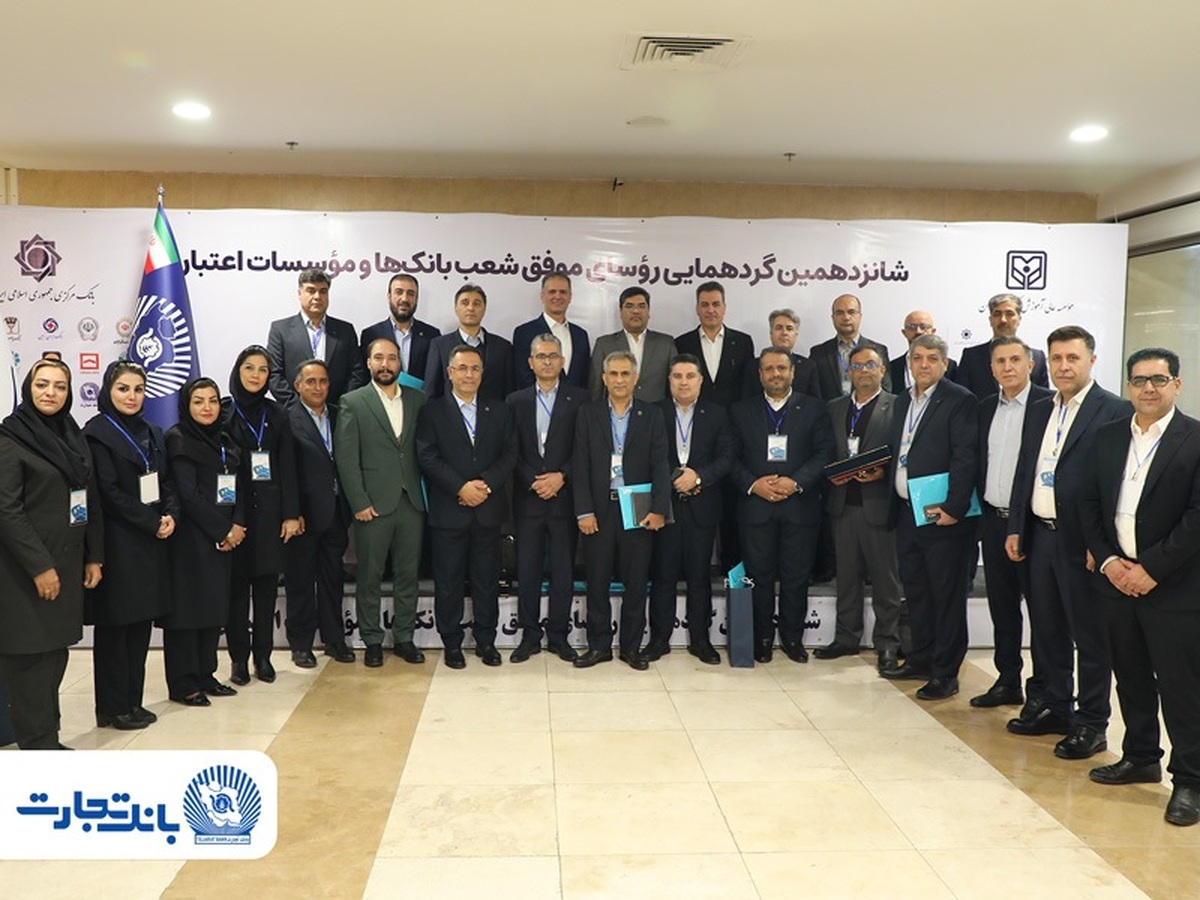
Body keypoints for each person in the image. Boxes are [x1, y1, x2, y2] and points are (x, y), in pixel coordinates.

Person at [1080, 348, 1200, 826]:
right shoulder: (1108, 437)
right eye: (1139, 380)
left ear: (1177, 385)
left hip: (1173, 586)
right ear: (1128, 386)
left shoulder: (1195, 439)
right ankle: (1141, 757)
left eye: (1158, 379)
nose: (1148, 388)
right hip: (1117, 582)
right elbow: (1089, 502)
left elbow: (1197, 517)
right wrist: (1111, 562)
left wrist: (1151, 568)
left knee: (1180, 686)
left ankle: (1190, 779)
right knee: (1129, 676)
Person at [1005, 326, 1130, 758]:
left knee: (1090, 636)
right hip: (1040, 535)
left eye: (1072, 358)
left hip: (1084, 544)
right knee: (1047, 629)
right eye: (1056, 358)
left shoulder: (1113, 409)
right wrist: (1016, 525)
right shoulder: (1041, 406)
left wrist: (1103, 544)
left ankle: (1092, 723)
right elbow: (1026, 468)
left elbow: (1115, 483)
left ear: (1091, 361)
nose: (1063, 366)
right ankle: (1055, 706)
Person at [0, 359, 103, 749]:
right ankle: (37, 745)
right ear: (28, 388)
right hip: (24, 574)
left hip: (67, 564)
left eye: (60, 386)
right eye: (42, 384)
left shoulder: (70, 436)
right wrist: (39, 566)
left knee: (55, 656)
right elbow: (7, 511)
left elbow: (88, 500)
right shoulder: (10, 439)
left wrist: (94, 555)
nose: (51, 393)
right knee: (31, 661)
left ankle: (49, 738)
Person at [880, 333, 979, 700]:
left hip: (943, 517)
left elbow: (966, 456)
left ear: (944, 363)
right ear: (908, 362)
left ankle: (946, 672)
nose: (923, 364)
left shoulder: (960, 399)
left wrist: (953, 507)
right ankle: (920, 658)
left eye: (932, 358)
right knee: (917, 591)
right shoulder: (904, 399)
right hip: (908, 513)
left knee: (946, 597)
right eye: (917, 357)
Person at [83, 361, 179, 730]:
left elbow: (165, 481)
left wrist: (170, 515)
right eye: (123, 389)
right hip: (119, 543)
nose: (132, 396)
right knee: (116, 628)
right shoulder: (96, 434)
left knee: (140, 626)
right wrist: (151, 522)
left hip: (151, 543)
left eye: (139, 389)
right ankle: (111, 707)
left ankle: (132, 702)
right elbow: (108, 493)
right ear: (108, 391)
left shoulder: (152, 431)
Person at [730, 348, 835, 663]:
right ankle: (762, 638)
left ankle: (792, 638)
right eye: (769, 369)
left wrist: (796, 482)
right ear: (760, 374)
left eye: (781, 368)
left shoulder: (815, 409)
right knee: (758, 576)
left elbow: (824, 453)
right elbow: (730, 458)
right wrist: (754, 484)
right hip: (756, 506)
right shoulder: (740, 410)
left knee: (796, 576)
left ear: (793, 372)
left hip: (799, 506)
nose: (776, 374)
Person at [417, 344, 517, 668]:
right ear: (450, 372)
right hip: (450, 510)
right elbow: (427, 456)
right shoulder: (432, 411)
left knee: (487, 580)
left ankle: (486, 641)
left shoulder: (499, 410)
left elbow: (510, 454)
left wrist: (484, 485)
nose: (469, 374)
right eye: (462, 368)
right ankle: (452, 643)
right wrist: (460, 487)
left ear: (483, 373)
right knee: (448, 582)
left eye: (475, 368)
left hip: (487, 509)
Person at [573, 351, 671, 670]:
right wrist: (583, 511)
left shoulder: (651, 415)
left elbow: (660, 464)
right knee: (597, 581)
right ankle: (599, 646)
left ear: (635, 378)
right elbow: (580, 465)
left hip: (637, 510)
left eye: (625, 374)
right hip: (599, 510)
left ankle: (631, 647)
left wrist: (659, 508)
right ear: (604, 379)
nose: (619, 380)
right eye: (613, 374)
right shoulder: (588, 413)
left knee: (636, 582)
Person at [970, 337, 1052, 708]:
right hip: (994, 520)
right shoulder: (986, 407)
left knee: (1043, 611)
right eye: (1000, 361)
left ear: (1030, 364)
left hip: (1033, 525)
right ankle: (1007, 681)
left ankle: (1044, 690)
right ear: (991, 369)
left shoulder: (1048, 405)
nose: (1008, 367)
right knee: (1002, 608)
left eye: (1015, 359)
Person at [336, 338, 428, 668]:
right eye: (379, 358)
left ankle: (404, 637)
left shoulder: (419, 399)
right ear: (369, 363)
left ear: (400, 363)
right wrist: (359, 501)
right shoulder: (352, 402)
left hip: (411, 501)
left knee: (408, 575)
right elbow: (346, 458)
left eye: (392, 358)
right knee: (370, 576)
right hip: (372, 505)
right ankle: (372, 639)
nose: (385, 364)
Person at [813, 346, 902, 672]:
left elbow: (903, 453)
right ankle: (846, 638)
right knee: (847, 578)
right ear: (848, 372)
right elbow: (824, 450)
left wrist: (883, 473)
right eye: (857, 365)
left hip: (879, 505)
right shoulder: (834, 408)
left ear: (882, 370)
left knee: (885, 580)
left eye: (870, 365)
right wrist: (829, 475)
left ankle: (888, 643)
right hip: (842, 505)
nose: (863, 370)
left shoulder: (898, 406)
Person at [161, 378, 245, 707]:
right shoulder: (178, 439)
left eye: (212, 400)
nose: (207, 408)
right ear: (186, 405)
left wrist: (237, 525)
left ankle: (205, 673)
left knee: (213, 607)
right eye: (198, 401)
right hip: (191, 539)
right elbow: (188, 495)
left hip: (223, 537)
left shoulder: (224, 439)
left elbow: (237, 485)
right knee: (188, 612)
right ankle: (184, 683)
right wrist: (223, 531)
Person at [507, 334, 589, 663]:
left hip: (564, 498)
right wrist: (533, 480)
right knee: (527, 571)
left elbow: (585, 449)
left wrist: (562, 477)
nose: (547, 361)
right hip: (528, 499)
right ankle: (529, 636)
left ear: (562, 361)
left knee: (562, 572)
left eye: (553, 356)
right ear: (530, 362)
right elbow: (510, 450)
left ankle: (558, 636)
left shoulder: (580, 399)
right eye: (540, 356)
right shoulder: (515, 400)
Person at [223, 345, 302, 685]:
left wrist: (291, 514)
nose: (256, 375)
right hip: (237, 517)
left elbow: (288, 467)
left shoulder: (277, 413)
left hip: (270, 517)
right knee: (237, 594)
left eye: (262, 370)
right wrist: (227, 520)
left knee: (267, 591)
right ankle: (238, 660)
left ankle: (263, 657)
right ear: (237, 371)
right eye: (249, 368)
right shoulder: (223, 412)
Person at [648, 354, 733, 664]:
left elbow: (726, 458)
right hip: (665, 507)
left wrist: (698, 477)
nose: (683, 382)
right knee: (663, 576)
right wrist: (675, 479)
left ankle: (700, 640)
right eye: (677, 376)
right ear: (669, 380)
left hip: (702, 506)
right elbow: (648, 456)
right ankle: (658, 640)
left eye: (689, 376)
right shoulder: (655, 412)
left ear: (700, 380)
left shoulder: (718, 414)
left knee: (699, 577)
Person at [674, 281, 756, 572]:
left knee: (732, 502)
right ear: (697, 308)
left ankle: (731, 565)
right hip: (695, 433)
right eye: (705, 304)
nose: (710, 310)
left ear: (724, 307)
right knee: (697, 501)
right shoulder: (682, 343)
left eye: (716, 304)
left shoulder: (742, 342)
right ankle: (689, 567)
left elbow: (747, 388)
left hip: (731, 431)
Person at [284, 360, 354, 667]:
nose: (318, 387)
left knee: (332, 579)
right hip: (304, 516)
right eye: (310, 381)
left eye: (323, 381)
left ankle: (334, 639)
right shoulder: (287, 418)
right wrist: (292, 512)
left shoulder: (340, 414)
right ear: (297, 385)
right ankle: (300, 644)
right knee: (300, 581)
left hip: (337, 512)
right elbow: (285, 471)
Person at [266, 268, 367, 406]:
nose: (317, 296)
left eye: (323, 291)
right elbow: (274, 374)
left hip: (337, 412)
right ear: (299, 293)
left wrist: (341, 405)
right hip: (293, 413)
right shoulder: (281, 330)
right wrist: (296, 407)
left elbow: (357, 373)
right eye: (311, 291)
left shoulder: (345, 330)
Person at [424, 283, 514, 401]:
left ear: (484, 309)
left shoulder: (503, 347)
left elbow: (509, 392)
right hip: (450, 412)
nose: (471, 308)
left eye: (477, 304)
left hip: (493, 412)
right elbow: (431, 391)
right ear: (456, 309)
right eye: (465, 303)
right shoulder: (440, 345)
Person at [588, 286, 677, 403]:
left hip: (657, 412)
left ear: (648, 312)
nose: (636, 311)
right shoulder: (604, 344)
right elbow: (596, 388)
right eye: (629, 306)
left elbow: (675, 384)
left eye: (641, 306)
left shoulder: (666, 344)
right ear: (620, 312)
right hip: (616, 412)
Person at [955, 293, 1049, 398]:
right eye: (997, 314)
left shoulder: (1037, 358)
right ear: (990, 320)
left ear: (1019, 319)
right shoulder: (971, 356)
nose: (1003, 320)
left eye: (1009, 314)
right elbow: (961, 398)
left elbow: (1044, 399)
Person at [357, 274, 440, 384]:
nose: (404, 299)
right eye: (399, 292)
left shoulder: (432, 335)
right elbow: (364, 376)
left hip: (420, 395)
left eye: (410, 294)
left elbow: (435, 377)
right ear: (389, 297)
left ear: (416, 299)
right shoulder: (371, 334)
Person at [513, 273, 591, 389]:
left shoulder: (580, 335)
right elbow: (523, 376)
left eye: (563, 292)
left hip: (576, 399)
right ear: (542, 296)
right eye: (552, 292)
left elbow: (584, 376)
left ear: (570, 297)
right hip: (537, 399)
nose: (558, 296)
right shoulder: (524, 333)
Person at [809, 294, 892, 401]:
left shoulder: (878, 350)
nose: (846, 317)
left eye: (851, 312)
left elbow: (886, 388)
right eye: (840, 313)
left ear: (860, 316)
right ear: (833, 318)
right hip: (829, 410)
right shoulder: (818, 352)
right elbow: (814, 392)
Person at [888, 310, 958, 391]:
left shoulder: (950, 366)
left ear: (933, 331)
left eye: (923, 326)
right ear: (904, 332)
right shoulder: (892, 367)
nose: (918, 331)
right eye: (912, 326)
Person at [766, 308, 821, 399]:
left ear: (796, 334)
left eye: (789, 329)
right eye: (779, 328)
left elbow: (815, 402)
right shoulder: (753, 366)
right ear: (771, 333)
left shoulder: (808, 366)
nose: (784, 333)